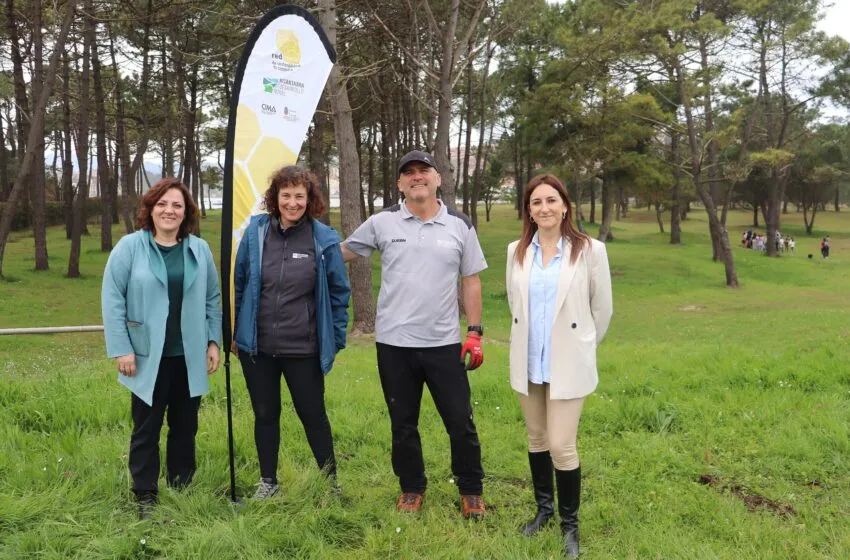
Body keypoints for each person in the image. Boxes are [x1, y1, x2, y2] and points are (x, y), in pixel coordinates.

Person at [340, 150, 488, 519]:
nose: (417, 177)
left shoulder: (460, 225)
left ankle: (471, 491)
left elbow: (470, 279)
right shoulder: (382, 222)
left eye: (424, 171)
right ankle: (411, 488)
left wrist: (474, 332)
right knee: (403, 423)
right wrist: (300, 247)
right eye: (409, 173)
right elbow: (342, 252)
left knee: (460, 421)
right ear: (399, 184)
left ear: (438, 179)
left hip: (443, 344)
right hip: (394, 345)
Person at [505, 173, 613, 558]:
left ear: (565, 205)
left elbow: (602, 310)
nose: (544, 208)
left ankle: (571, 526)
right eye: (536, 202)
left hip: (568, 362)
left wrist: (581, 345)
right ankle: (544, 511)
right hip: (529, 361)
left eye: (551, 200)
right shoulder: (516, 250)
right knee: (536, 440)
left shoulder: (589, 250)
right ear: (529, 211)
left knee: (561, 445)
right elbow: (516, 308)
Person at [102, 178, 222, 518]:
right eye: (163, 204)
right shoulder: (129, 247)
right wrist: (121, 348)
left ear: (186, 213)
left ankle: (182, 484)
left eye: (177, 205)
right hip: (145, 357)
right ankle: (145, 494)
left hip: (189, 355)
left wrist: (214, 340)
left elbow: (213, 297)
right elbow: (112, 299)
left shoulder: (199, 249)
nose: (170, 210)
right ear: (151, 209)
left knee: (186, 426)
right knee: (147, 428)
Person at [232, 165, 350, 500]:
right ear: (275, 198)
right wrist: (235, 332)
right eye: (286, 195)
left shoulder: (324, 239)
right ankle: (268, 483)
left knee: (313, 414)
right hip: (258, 349)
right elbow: (240, 284)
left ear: (309, 198)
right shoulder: (256, 233)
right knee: (265, 414)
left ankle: (330, 486)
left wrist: (336, 338)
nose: (293, 202)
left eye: (300, 195)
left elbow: (340, 292)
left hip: (304, 349)